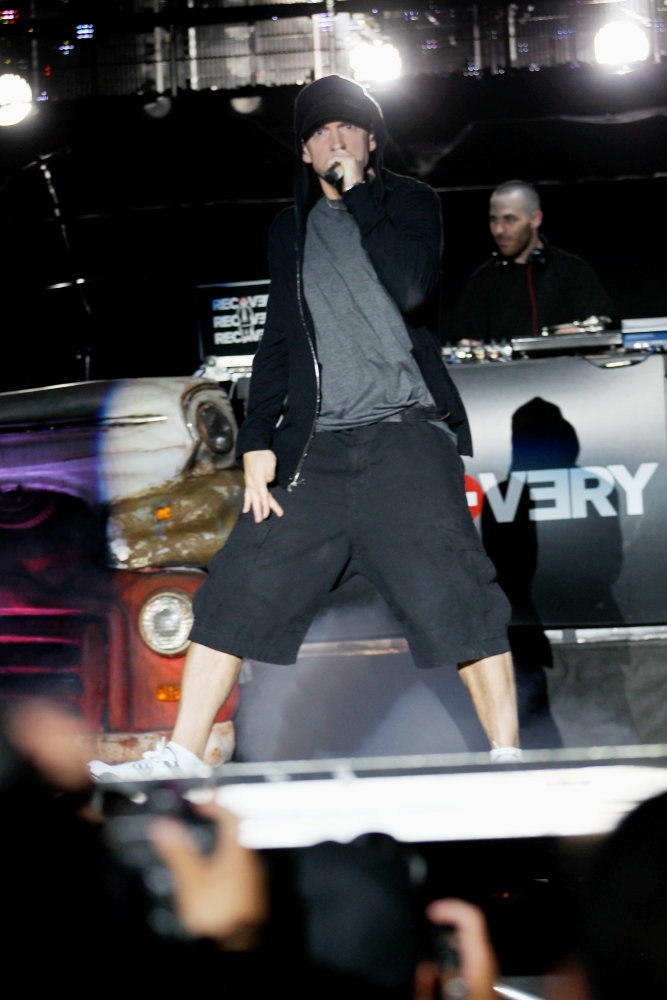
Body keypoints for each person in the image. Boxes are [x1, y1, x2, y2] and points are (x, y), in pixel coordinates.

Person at [89, 75, 520, 782]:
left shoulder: (410, 203)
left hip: (404, 437)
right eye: (321, 131)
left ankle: (508, 758)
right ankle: (184, 757)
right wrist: (258, 438)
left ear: (371, 141)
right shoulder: (289, 230)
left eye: (348, 127)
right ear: (304, 151)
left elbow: (413, 288)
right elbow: (279, 344)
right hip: (314, 453)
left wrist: (359, 197)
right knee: (235, 590)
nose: (335, 140)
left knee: (459, 596)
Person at [450, 179, 616, 343]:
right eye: (494, 220)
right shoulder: (483, 280)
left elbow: (603, 329)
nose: (499, 230)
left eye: (510, 219)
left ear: (535, 219)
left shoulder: (573, 271)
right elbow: (466, 341)